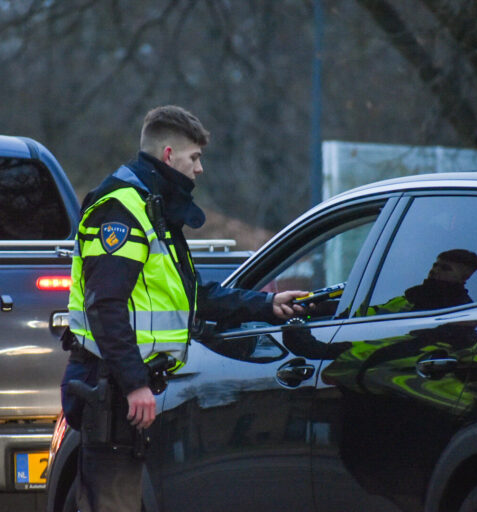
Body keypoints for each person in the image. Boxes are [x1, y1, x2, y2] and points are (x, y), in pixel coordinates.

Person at [61, 105, 307, 512]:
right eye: (195, 158)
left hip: (127, 387)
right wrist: (134, 382)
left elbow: (190, 297)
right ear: (169, 154)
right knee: (112, 503)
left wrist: (265, 305)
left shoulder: (154, 207)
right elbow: (105, 305)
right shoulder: (121, 210)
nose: (200, 169)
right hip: (111, 387)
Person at [368, 249, 477, 315]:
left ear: (465, 277)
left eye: (445, 268)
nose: (435, 270)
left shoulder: (459, 310)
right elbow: (367, 313)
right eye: (435, 265)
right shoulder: (410, 297)